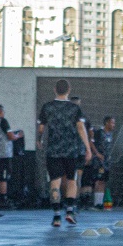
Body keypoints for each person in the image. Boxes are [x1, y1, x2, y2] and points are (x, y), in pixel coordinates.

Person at [38, 80, 93, 227]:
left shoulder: (47, 107)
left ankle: (56, 216)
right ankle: (69, 211)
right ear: (69, 90)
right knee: (71, 181)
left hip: (53, 151)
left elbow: (41, 127)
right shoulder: (74, 108)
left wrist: (39, 140)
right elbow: (81, 127)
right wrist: (88, 148)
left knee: (55, 182)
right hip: (71, 151)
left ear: (54, 89)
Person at [0, 105, 22, 209]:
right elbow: (10, 136)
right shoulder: (3, 121)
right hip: (4, 154)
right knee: (3, 178)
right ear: (1, 111)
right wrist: (18, 135)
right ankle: (3, 200)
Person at [91, 116, 115, 210]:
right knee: (99, 181)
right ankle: (96, 204)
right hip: (99, 162)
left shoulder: (110, 134)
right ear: (106, 123)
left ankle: (100, 203)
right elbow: (91, 142)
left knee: (103, 181)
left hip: (106, 162)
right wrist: (97, 153)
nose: (113, 125)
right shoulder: (99, 133)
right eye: (112, 123)